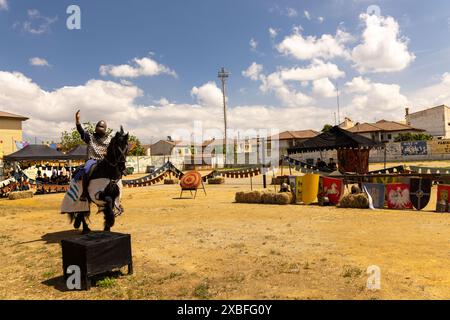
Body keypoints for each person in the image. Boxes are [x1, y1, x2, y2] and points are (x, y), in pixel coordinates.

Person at [75, 109, 112, 201]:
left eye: (101, 127)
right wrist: (77, 121)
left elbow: (112, 151)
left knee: (115, 168)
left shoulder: (109, 139)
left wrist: (107, 153)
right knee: (86, 169)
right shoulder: (90, 137)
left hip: (104, 160)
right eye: (98, 126)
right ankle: (84, 192)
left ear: (105, 128)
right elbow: (81, 131)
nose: (99, 128)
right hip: (92, 160)